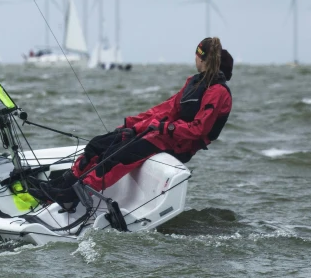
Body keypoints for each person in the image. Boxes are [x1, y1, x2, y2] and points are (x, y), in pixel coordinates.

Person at [34, 37, 233, 206]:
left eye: (196, 56)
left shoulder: (218, 93)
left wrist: (165, 127)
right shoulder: (193, 82)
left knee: (118, 155)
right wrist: (132, 125)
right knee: (100, 143)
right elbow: (165, 109)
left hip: (180, 146)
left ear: (202, 58)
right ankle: (64, 184)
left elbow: (198, 130)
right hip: (163, 135)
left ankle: (73, 195)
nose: (194, 59)